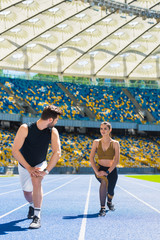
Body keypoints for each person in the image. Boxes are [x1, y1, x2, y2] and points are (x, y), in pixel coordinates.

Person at [12, 105, 62, 229]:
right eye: (56, 120)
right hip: (24, 164)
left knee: (36, 179)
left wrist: (46, 171)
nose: (56, 122)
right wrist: (28, 167)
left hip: (40, 163)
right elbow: (15, 150)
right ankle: (32, 204)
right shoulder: (25, 128)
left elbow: (57, 152)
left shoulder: (53, 131)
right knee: (27, 193)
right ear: (50, 119)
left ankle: (37, 217)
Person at [90, 121, 120, 216]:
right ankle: (102, 208)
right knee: (104, 182)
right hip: (99, 168)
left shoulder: (115, 143)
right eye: (101, 129)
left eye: (105, 129)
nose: (102, 131)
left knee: (111, 190)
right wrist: (97, 171)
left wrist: (108, 171)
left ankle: (109, 202)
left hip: (111, 170)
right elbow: (91, 158)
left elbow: (116, 160)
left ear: (110, 130)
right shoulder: (96, 142)